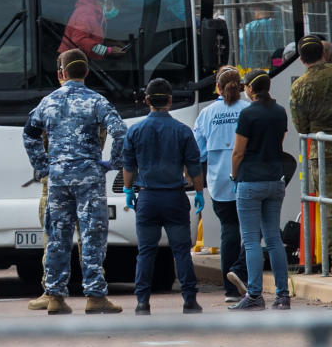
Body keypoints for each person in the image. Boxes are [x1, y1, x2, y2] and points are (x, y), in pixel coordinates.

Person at [23, 49, 126, 315]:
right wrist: (112, 164)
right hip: (89, 178)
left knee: (57, 236)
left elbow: (30, 134)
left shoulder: (48, 102)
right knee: (92, 235)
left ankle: (55, 296)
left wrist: (43, 166)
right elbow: (120, 133)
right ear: (87, 72)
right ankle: (95, 296)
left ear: (62, 73)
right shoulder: (97, 101)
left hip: (58, 179)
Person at [123, 78, 204, 315]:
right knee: (181, 251)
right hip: (175, 197)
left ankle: (142, 302)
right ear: (170, 100)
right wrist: (198, 192)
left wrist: (129, 190)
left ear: (147, 100)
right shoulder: (182, 131)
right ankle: (189, 300)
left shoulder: (135, 130)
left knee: (146, 252)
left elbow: (128, 166)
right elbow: (195, 167)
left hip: (147, 198)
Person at [289, 34, 332, 274]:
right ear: (323, 53)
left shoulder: (300, 86)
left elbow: (301, 127)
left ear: (301, 58)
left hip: (323, 153)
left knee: (331, 209)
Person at [229, 69, 291, 311]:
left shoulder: (247, 114)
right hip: (275, 180)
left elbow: (238, 152)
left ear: (250, 89)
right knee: (274, 239)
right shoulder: (280, 112)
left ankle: (254, 295)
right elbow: (279, 143)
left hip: (250, 181)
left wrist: (234, 175)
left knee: (251, 240)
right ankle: (282, 295)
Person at [193, 66, 249, 303]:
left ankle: (229, 289)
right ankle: (244, 276)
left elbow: (199, 152)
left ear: (217, 86)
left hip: (219, 183)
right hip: (247, 179)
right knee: (252, 232)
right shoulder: (248, 110)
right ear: (241, 86)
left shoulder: (207, 113)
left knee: (229, 232)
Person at [57, 0, 129, 60]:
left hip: (82, 59)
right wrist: (108, 50)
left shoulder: (98, 14)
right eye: (117, 6)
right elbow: (79, 40)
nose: (117, 10)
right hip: (72, 63)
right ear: (108, 2)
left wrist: (112, 44)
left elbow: (92, 39)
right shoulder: (86, 14)